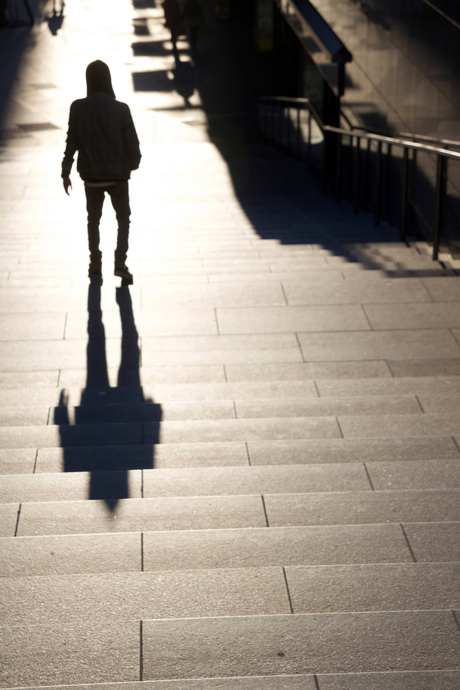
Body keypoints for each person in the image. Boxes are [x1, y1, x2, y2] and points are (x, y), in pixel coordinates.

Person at [61, 60, 141, 283]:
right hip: (118, 177)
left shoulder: (77, 108)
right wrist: (132, 164)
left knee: (93, 220)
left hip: (91, 177)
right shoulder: (121, 109)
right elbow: (132, 143)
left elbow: (72, 141)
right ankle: (120, 263)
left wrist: (65, 171)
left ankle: (95, 265)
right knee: (123, 219)